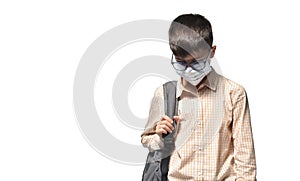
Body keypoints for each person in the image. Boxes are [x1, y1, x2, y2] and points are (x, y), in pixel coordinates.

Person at [141, 14, 257, 180]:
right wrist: (159, 137)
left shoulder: (234, 93)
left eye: (196, 62)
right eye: (181, 62)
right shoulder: (164, 94)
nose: (188, 69)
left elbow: (245, 156)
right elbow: (147, 140)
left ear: (212, 52)